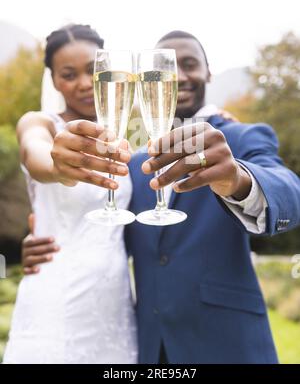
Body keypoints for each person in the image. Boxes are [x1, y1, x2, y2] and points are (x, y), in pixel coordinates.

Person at [21, 30, 300, 364]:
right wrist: (46, 242)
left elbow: (290, 192)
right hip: (147, 350)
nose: (180, 76)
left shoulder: (238, 137)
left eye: (191, 64)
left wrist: (237, 177)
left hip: (228, 346)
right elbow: (105, 231)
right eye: (168, 70)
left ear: (208, 72)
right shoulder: (135, 163)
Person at [3, 24, 138, 364]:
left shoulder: (125, 135)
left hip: (115, 303)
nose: (82, 82)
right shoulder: (39, 123)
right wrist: (56, 165)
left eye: (93, 70)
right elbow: (36, 154)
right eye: (68, 74)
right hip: (55, 297)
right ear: (53, 79)